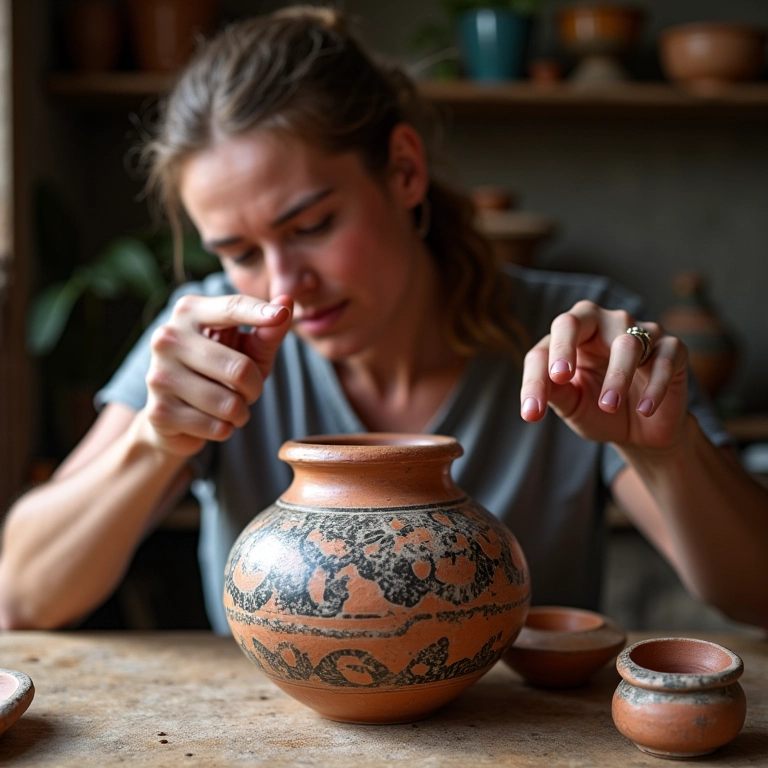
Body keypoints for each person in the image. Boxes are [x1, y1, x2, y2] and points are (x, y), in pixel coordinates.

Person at [1, 6, 766, 633]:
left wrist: (671, 456)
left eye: (311, 226)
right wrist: (152, 442)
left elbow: (754, 596)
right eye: (237, 252)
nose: (284, 287)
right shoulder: (205, 348)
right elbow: (21, 597)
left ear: (403, 169)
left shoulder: (575, 344)